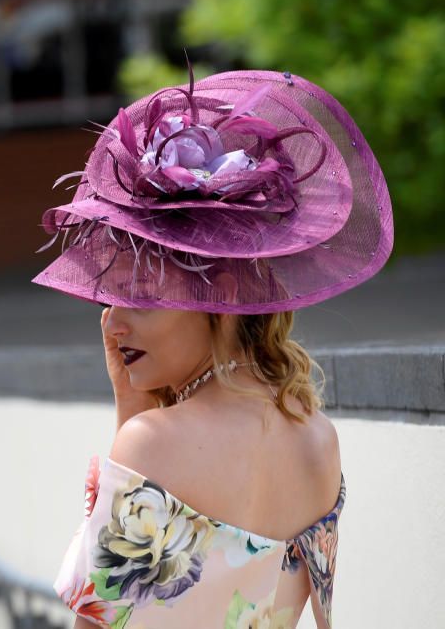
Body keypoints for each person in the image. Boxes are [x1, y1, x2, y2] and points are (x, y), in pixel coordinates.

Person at [34, 70, 392, 628]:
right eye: (112, 295)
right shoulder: (319, 440)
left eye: (141, 295)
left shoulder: (152, 443)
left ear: (221, 293)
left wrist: (133, 423)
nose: (112, 322)